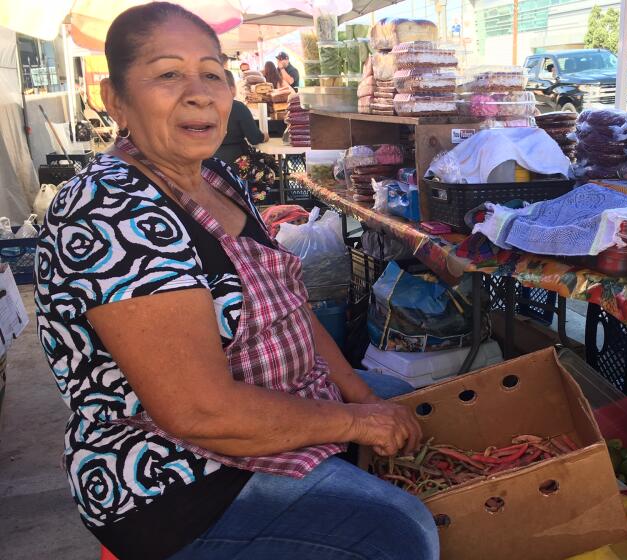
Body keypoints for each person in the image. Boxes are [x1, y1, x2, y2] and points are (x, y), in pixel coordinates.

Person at [34, 3, 438, 560]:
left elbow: (289, 308)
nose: (200, 93)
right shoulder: (109, 208)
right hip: (179, 474)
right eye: (169, 73)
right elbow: (199, 412)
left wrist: (363, 396)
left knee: (424, 411)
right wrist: (355, 422)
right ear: (116, 101)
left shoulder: (215, 177)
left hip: (283, 404)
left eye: (213, 73)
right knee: (399, 533)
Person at [215, 69, 267, 165]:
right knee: (269, 175)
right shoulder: (238, 107)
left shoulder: (203, 109)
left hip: (208, 165)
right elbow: (254, 138)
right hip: (236, 164)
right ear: (232, 89)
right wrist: (264, 136)